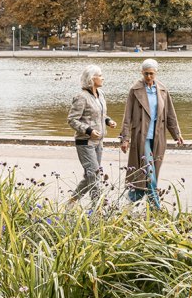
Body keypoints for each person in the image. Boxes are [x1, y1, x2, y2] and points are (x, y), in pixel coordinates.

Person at [118, 59, 184, 207]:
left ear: (156, 73)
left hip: (158, 136)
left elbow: (170, 115)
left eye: (151, 74)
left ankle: (131, 201)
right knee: (148, 171)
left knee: (148, 172)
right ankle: (156, 207)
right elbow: (127, 116)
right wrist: (125, 138)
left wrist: (177, 134)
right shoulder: (135, 90)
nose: (149, 77)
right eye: (146, 73)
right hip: (141, 137)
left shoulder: (162, 90)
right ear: (142, 73)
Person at [67, 64, 115, 203]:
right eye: (99, 76)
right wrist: (88, 130)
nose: (102, 78)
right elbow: (72, 120)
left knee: (90, 176)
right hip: (85, 142)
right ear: (91, 79)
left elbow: (99, 115)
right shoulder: (81, 97)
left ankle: (72, 201)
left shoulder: (101, 95)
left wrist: (108, 121)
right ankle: (96, 209)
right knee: (94, 175)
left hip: (99, 142)